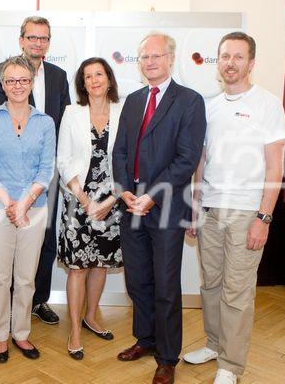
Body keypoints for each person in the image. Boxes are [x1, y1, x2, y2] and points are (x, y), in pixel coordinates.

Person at [183, 32, 285, 384]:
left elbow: (275, 167)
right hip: (210, 209)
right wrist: (195, 206)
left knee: (237, 291)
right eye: (225, 56)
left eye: (238, 57)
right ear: (218, 61)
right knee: (210, 284)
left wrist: (264, 217)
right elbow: (201, 159)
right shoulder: (209, 106)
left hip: (247, 213)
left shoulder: (268, 104)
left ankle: (230, 364)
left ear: (251, 63)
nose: (230, 63)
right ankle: (214, 344)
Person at [112, 32, 206, 384]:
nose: (150, 62)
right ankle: (145, 340)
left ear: (170, 58)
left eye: (156, 56)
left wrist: (151, 195)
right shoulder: (133, 100)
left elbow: (186, 160)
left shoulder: (190, 101)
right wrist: (124, 192)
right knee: (138, 280)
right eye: (144, 57)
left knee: (166, 285)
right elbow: (119, 151)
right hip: (130, 204)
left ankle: (167, 357)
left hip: (165, 205)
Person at [0, 16, 70, 325]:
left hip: (45, 174)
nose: (38, 43)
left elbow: (62, 125)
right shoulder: (6, 72)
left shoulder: (59, 75)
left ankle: (38, 300)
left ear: (49, 42)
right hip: (11, 173)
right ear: (21, 40)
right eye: (32, 37)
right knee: (12, 237)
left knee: (45, 237)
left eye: (44, 38)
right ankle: (11, 303)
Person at [0, 55, 56, 363]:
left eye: (23, 80)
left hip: (34, 210)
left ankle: (20, 333)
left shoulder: (45, 122)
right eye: (10, 80)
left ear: (32, 82)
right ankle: (0, 335)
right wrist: (10, 204)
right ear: (2, 85)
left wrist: (24, 204)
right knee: (0, 277)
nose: (17, 86)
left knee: (26, 277)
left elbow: (46, 169)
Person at [56, 57, 123, 360]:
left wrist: (108, 201)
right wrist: (85, 200)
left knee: (100, 264)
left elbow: (129, 158)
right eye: (87, 76)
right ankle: (74, 331)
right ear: (82, 84)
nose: (94, 80)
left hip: (111, 201)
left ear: (109, 78)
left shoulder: (124, 112)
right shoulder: (72, 112)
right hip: (78, 199)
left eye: (99, 74)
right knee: (78, 266)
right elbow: (64, 159)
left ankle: (92, 316)